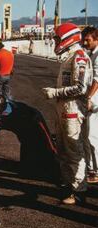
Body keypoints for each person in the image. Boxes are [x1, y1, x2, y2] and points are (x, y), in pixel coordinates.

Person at [41, 23, 93, 204]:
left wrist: (55, 93)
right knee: (62, 149)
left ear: (67, 38)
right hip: (64, 109)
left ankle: (78, 190)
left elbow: (81, 87)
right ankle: (67, 184)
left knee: (74, 150)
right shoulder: (68, 57)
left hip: (73, 109)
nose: (55, 41)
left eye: (57, 38)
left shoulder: (79, 57)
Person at [83, 28, 98, 184]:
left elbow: (97, 80)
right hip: (93, 99)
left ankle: (95, 171)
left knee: (92, 137)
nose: (85, 42)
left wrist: (88, 97)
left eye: (88, 40)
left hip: (94, 101)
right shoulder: (91, 54)